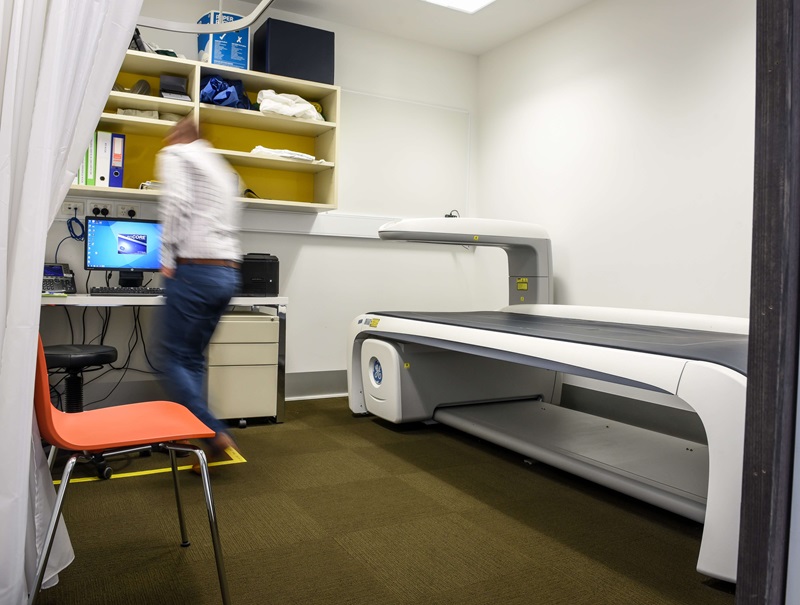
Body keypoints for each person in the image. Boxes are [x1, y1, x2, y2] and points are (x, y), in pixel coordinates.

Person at [155, 116, 242, 459]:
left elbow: (175, 203)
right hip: (226, 273)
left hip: (194, 270)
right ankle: (196, 437)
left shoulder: (177, 155)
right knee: (191, 359)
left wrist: (166, 256)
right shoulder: (219, 166)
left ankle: (212, 432)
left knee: (170, 358)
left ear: (179, 134)